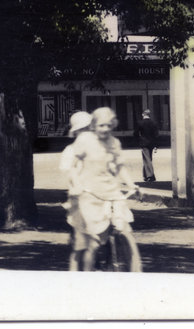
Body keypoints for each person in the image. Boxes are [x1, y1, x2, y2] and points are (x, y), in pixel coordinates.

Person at [71, 106, 139, 271]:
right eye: (101, 125)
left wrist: (131, 184)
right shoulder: (85, 140)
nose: (106, 129)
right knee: (94, 244)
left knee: (128, 236)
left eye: (109, 125)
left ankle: (137, 276)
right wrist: (77, 185)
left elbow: (120, 167)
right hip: (91, 196)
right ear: (94, 126)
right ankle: (86, 276)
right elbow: (74, 165)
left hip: (113, 194)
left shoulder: (115, 143)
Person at [59, 110, 93, 270]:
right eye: (83, 129)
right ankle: (74, 275)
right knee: (80, 246)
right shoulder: (70, 150)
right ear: (77, 132)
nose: (87, 132)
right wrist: (77, 187)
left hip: (98, 197)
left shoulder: (97, 148)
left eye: (89, 128)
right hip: (79, 199)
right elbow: (68, 174)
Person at [136, 109, 159, 182]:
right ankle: (145, 175)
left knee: (147, 159)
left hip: (143, 143)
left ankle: (150, 176)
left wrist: (139, 141)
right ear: (149, 115)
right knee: (148, 159)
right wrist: (156, 145)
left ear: (143, 114)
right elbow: (156, 135)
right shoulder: (154, 123)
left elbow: (135, 133)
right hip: (151, 143)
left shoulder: (140, 123)